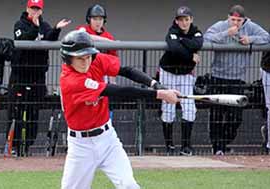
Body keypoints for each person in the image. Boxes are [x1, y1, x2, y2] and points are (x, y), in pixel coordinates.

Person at [58, 30, 180, 189]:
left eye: (88, 57)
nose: (85, 62)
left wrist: (155, 84)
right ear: (68, 59)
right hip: (81, 146)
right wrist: (159, 94)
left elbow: (127, 71)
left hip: (107, 140)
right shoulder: (71, 81)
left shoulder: (95, 60)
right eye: (80, 58)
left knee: (129, 185)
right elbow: (119, 92)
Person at [8, 0, 71, 157]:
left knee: (33, 112)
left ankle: (28, 145)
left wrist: (56, 29)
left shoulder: (44, 25)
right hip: (20, 76)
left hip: (38, 76)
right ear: (27, 8)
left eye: (38, 9)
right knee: (16, 112)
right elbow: (24, 39)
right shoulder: (20, 24)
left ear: (41, 11)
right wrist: (35, 27)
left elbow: (50, 38)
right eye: (32, 8)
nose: (35, 11)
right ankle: (14, 146)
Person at [204, 4, 269, 155]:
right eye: (232, 19)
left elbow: (266, 37)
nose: (235, 23)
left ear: (244, 20)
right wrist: (226, 33)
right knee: (216, 115)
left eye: (238, 21)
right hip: (218, 77)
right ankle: (217, 147)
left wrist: (250, 39)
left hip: (237, 79)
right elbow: (206, 37)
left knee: (236, 117)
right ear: (228, 18)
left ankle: (224, 143)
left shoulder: (250, 27)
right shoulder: (221, 26)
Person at [158, 6, 203, 156]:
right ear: (176, 21)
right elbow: (174, 48)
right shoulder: (172, 31)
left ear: (191, 19)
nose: (184, 22)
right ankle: (169, 146)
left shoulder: (196, 31)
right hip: (168, 71)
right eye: (180, 19)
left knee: (189, 108)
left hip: (185, 75)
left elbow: (197, 44)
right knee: (168, 108)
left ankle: (186, 146)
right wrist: (190, 56)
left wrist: (182, 40)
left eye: (186, 19)